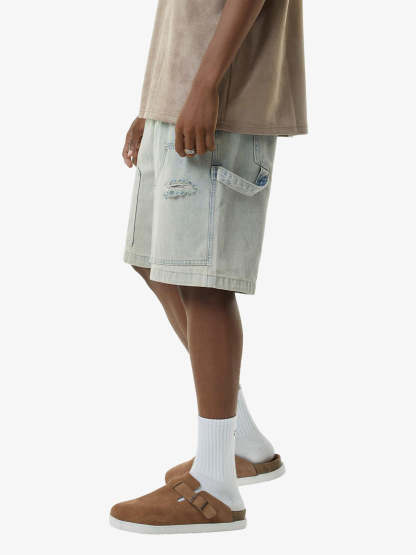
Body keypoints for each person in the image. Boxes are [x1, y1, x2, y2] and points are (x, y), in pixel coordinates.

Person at [110, 0, 307, 534]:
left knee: (203, 284)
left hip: (220, 103)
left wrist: (205, 87)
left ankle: (216, 486)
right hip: (177, 102)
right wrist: (156, 102)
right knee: (155, 265)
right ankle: (242, 442)